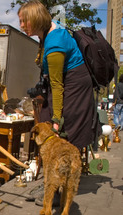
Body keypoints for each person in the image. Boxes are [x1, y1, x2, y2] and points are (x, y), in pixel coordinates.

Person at [18, 0, 95, 150]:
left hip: (75, 84)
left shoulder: (55, 44)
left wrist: (57, 121)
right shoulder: (46, 29)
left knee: (64, 129)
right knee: (44, 119)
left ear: (35, 19)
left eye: (23, 21)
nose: (21, 26)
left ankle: (67, 165)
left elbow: (57, 85)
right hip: (63, 80)